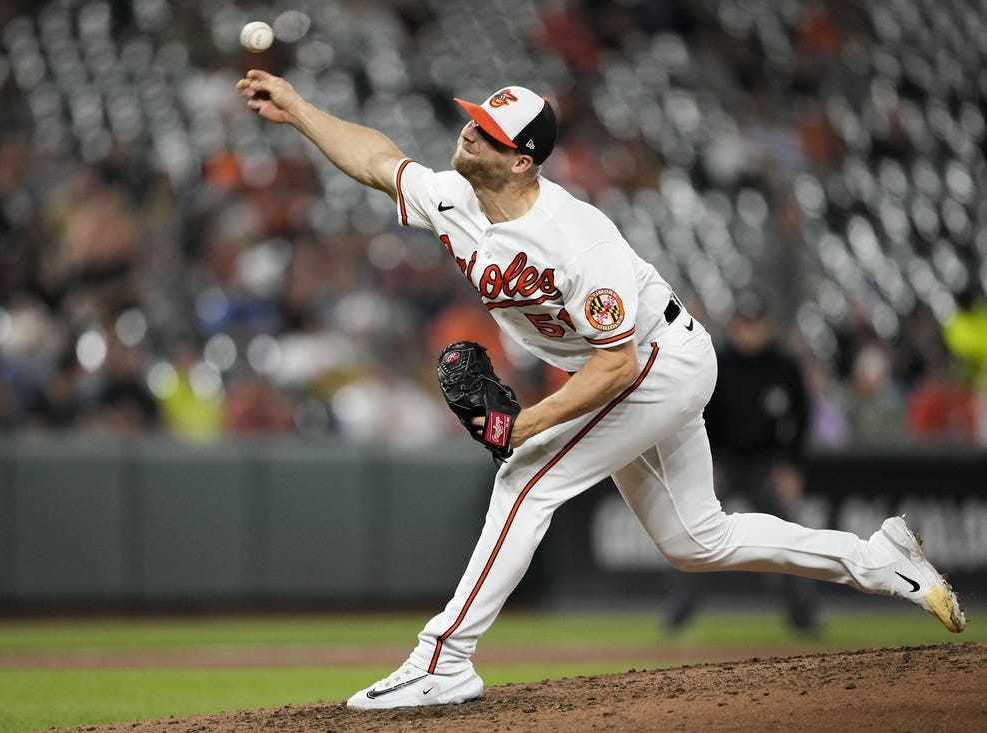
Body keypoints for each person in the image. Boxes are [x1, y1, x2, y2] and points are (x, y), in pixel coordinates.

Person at [236, 70, 966, 709]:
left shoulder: (578, 237)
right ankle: (880, 557)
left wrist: (524, 426)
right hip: (629, 364)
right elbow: (377, 160)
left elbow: (616, 365)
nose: (469, 132)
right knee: (695, 540)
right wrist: (299, 107)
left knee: (525, 480)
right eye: (475, 118)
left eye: (488, 131)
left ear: (522, 160)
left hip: (657, 361)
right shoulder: (454, 197)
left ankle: (441, 660)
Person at [663, 292, 819, 634]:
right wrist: (707, 464)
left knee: (789, 537)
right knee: (693, 535)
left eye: (754, 324)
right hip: (724, 464)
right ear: (733, 326)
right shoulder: (717, 361)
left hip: (768, 465)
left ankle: (804, 618)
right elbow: (697, 416)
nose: (748, 332)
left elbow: (803, 420)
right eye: (742, 325)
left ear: (768, 326)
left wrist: (793, 467)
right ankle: (677, 616)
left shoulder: (785, 365)